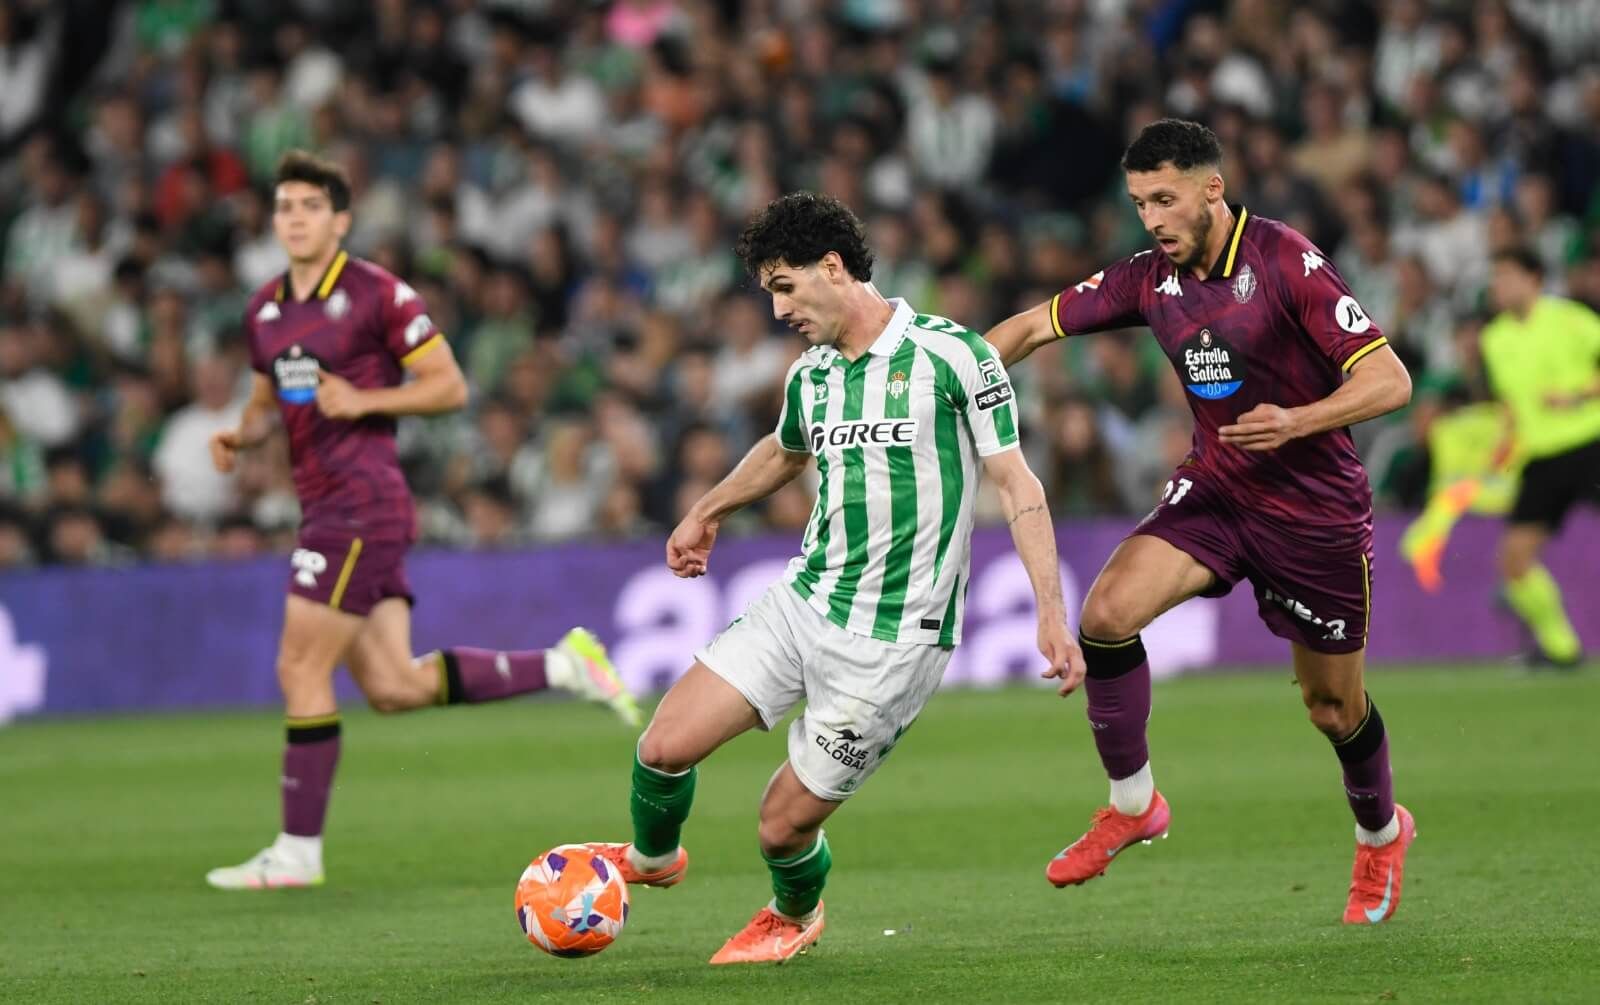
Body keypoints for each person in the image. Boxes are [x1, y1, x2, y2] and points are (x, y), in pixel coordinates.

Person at [588, 192, 1080, 963]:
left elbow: (1018, 485)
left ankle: (795, 911)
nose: (777, 308)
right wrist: (708, 509)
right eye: (768, 292)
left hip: (895, 642)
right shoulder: (811, 376)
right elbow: (786, 452)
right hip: (805, 601)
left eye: (784, 286)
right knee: (661, 746)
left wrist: (1051, 611)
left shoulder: (953, 355)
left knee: (780, 825)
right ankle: (653, 862)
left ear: (833, 266)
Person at [984, 119, 1417, 925]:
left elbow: (1392, 381)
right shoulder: (1149, 278)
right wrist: (949, 377)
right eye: (1139, 202)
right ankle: (1134, 803)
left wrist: (1298, 421)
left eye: (1165, 199)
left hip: (1313, 512)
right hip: (1217, 492)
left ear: (1211, 189)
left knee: (1332, 708)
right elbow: (1031, 327)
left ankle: (1380, 833)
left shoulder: (1287, 260)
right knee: (1106, 614)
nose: (1151, 219)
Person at [204, 151, 640, 891]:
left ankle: (297, 852)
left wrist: (367, 400)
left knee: (299, 664)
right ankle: (569, 665)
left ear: (340, 219)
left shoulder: (378, 294)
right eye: (284, 207)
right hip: (326, 502)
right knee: (393, 685)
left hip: (360, 501)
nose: (296, 218)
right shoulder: (264, 311)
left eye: (311, 205)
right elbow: (262, 400)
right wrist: (241, 436)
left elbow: (449, 385)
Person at [1481, 247, 1600, 668]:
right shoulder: (1494, 338)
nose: (1498, 285)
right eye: (1496, 277)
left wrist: (1577, 395)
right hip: (1542, 457)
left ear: (1534, 278)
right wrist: (1502, 444)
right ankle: (1562, 649)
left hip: (1590, 442)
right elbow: (1511, 405)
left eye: (1507, 275)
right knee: (1513, 560)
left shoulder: (1571, 319)